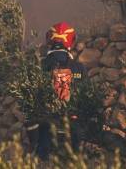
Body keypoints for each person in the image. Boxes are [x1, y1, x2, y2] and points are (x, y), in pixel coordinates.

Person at [26, 21, 87, 160]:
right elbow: (87, 96)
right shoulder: (79, 68)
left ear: (49, 40)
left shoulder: (38, 66)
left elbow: (29, 100)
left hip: (45, 128)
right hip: (73, 126)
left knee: (42, 160)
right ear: (71, 41)